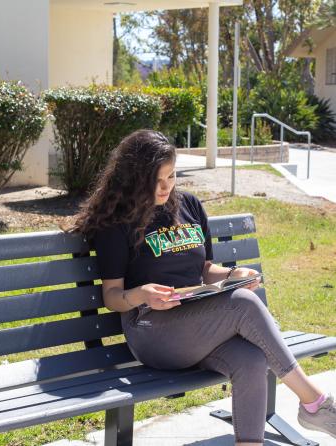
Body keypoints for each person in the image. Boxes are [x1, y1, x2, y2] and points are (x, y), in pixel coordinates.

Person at [69, 129, 336, 445]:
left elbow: (206, 269)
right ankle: (316, 404)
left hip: (196, 325)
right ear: (135, 178)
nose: (166, 186)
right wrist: (142, 294)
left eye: (171, 175)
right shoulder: (118, 223)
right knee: (243, 305)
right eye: (157, 179)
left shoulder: (189, 206)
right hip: (152, 330)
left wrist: (235, 274)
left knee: (252, 358)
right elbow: (111, 296)